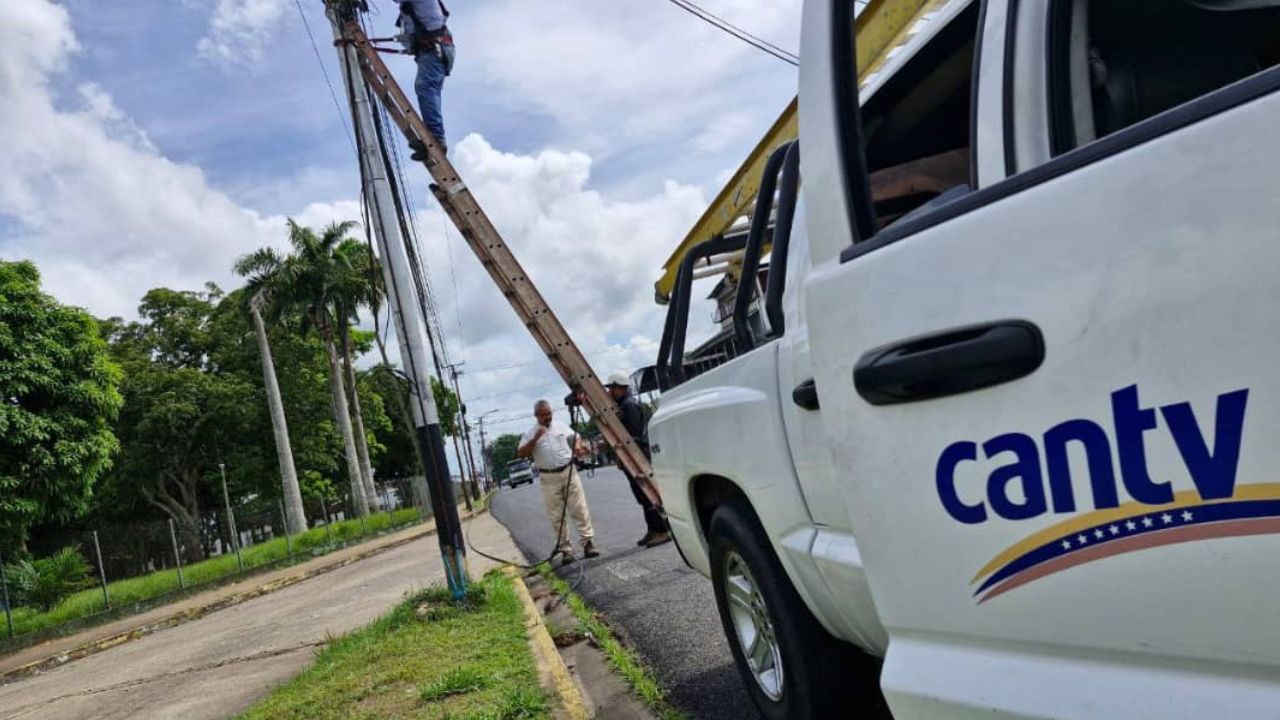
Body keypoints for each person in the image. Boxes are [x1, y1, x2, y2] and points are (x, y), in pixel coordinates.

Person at [518, 400, 600, 564]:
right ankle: (566, 550)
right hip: (549, 478)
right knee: (556, 515)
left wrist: (577, 445)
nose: (547, 417)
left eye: (549, 413)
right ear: (536, 416)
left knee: (579, 508)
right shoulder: (530, 433)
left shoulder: (560, 425)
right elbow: (521, 453)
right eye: (543, 414)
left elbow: (576, 436)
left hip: (569, 471)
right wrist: (535, 439)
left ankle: (588, 543)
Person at [605, 371, 671, 548]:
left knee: (646, 494)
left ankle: (662, 531)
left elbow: (633, 435)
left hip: (638, 457)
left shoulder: (628, 406)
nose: (610, 392)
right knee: (642, 496)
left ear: (621, 387)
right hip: (633, 458)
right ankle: (652, 529)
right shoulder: (625, 405)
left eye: (612, 388)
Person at [396, 0, 455, 158]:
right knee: (427, 89)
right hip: (432, 50)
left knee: (426, 87)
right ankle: (434, 141)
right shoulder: (409, 10)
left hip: (435, 49)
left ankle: (435, 139)